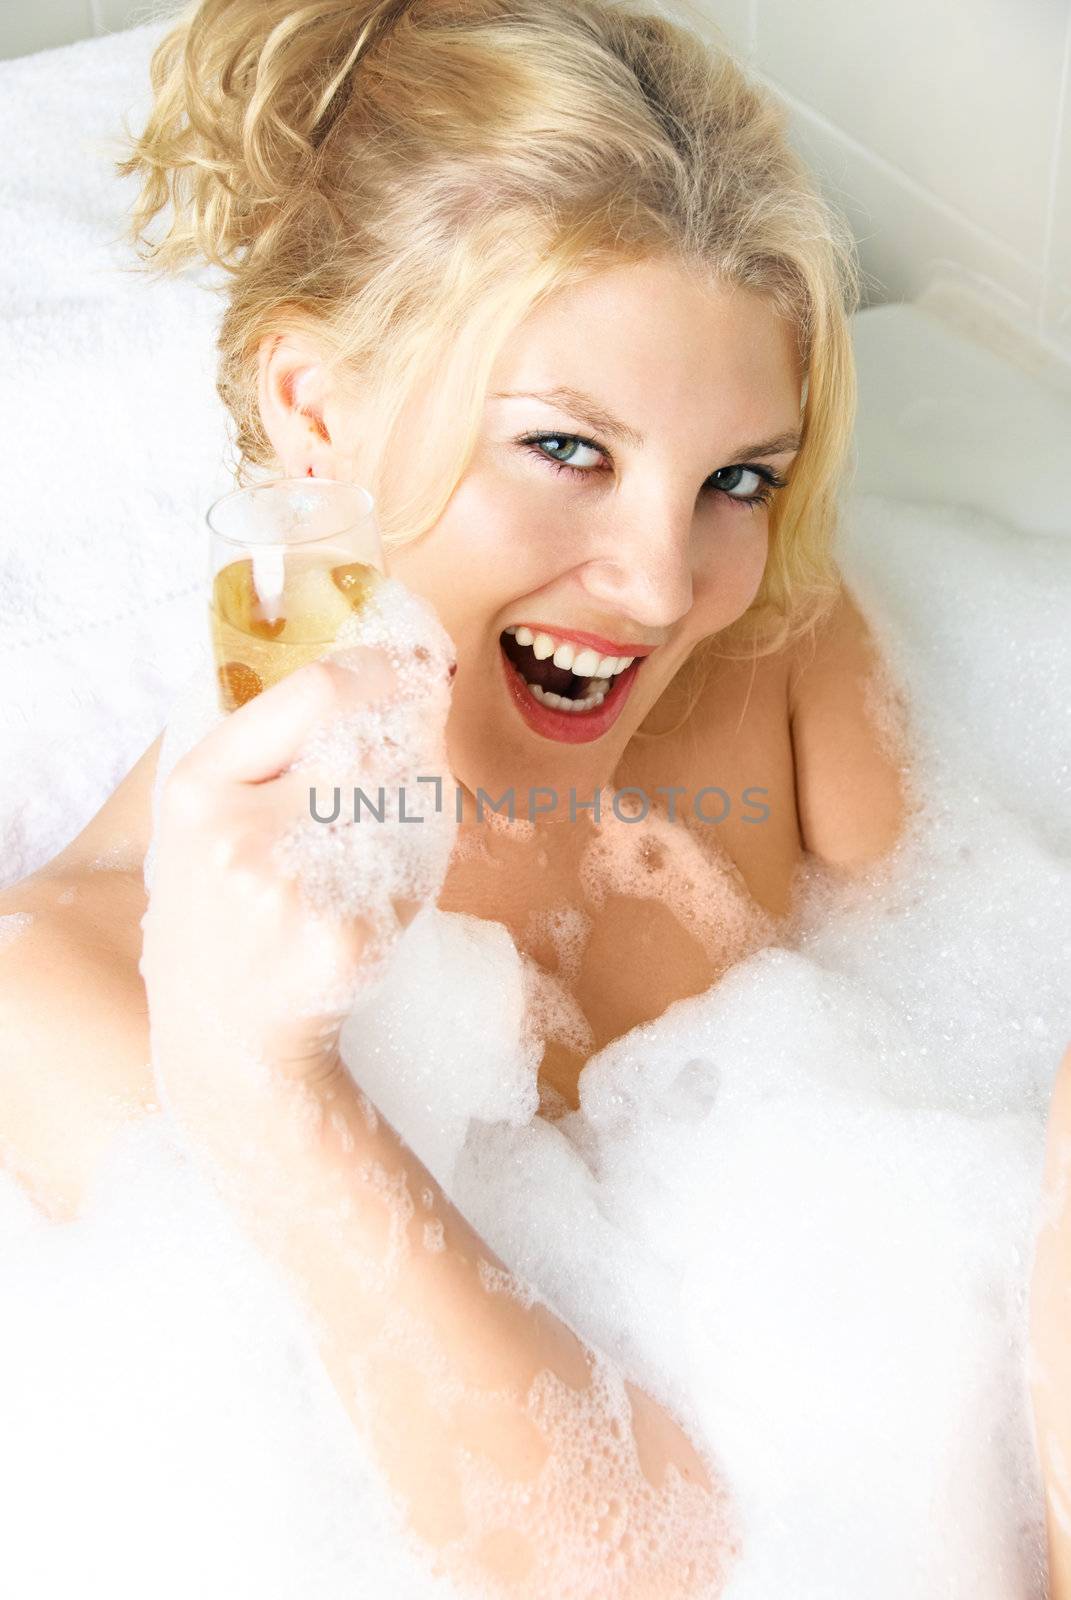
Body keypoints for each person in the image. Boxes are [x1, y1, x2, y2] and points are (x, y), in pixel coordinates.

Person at [0, 1, 914, 1592]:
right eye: (568, 448)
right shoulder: (75, 982)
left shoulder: (776, 655)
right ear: (313, 412)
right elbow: (635, 1570)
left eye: (738, 478)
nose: (661, 581)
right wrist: (257, 1080)